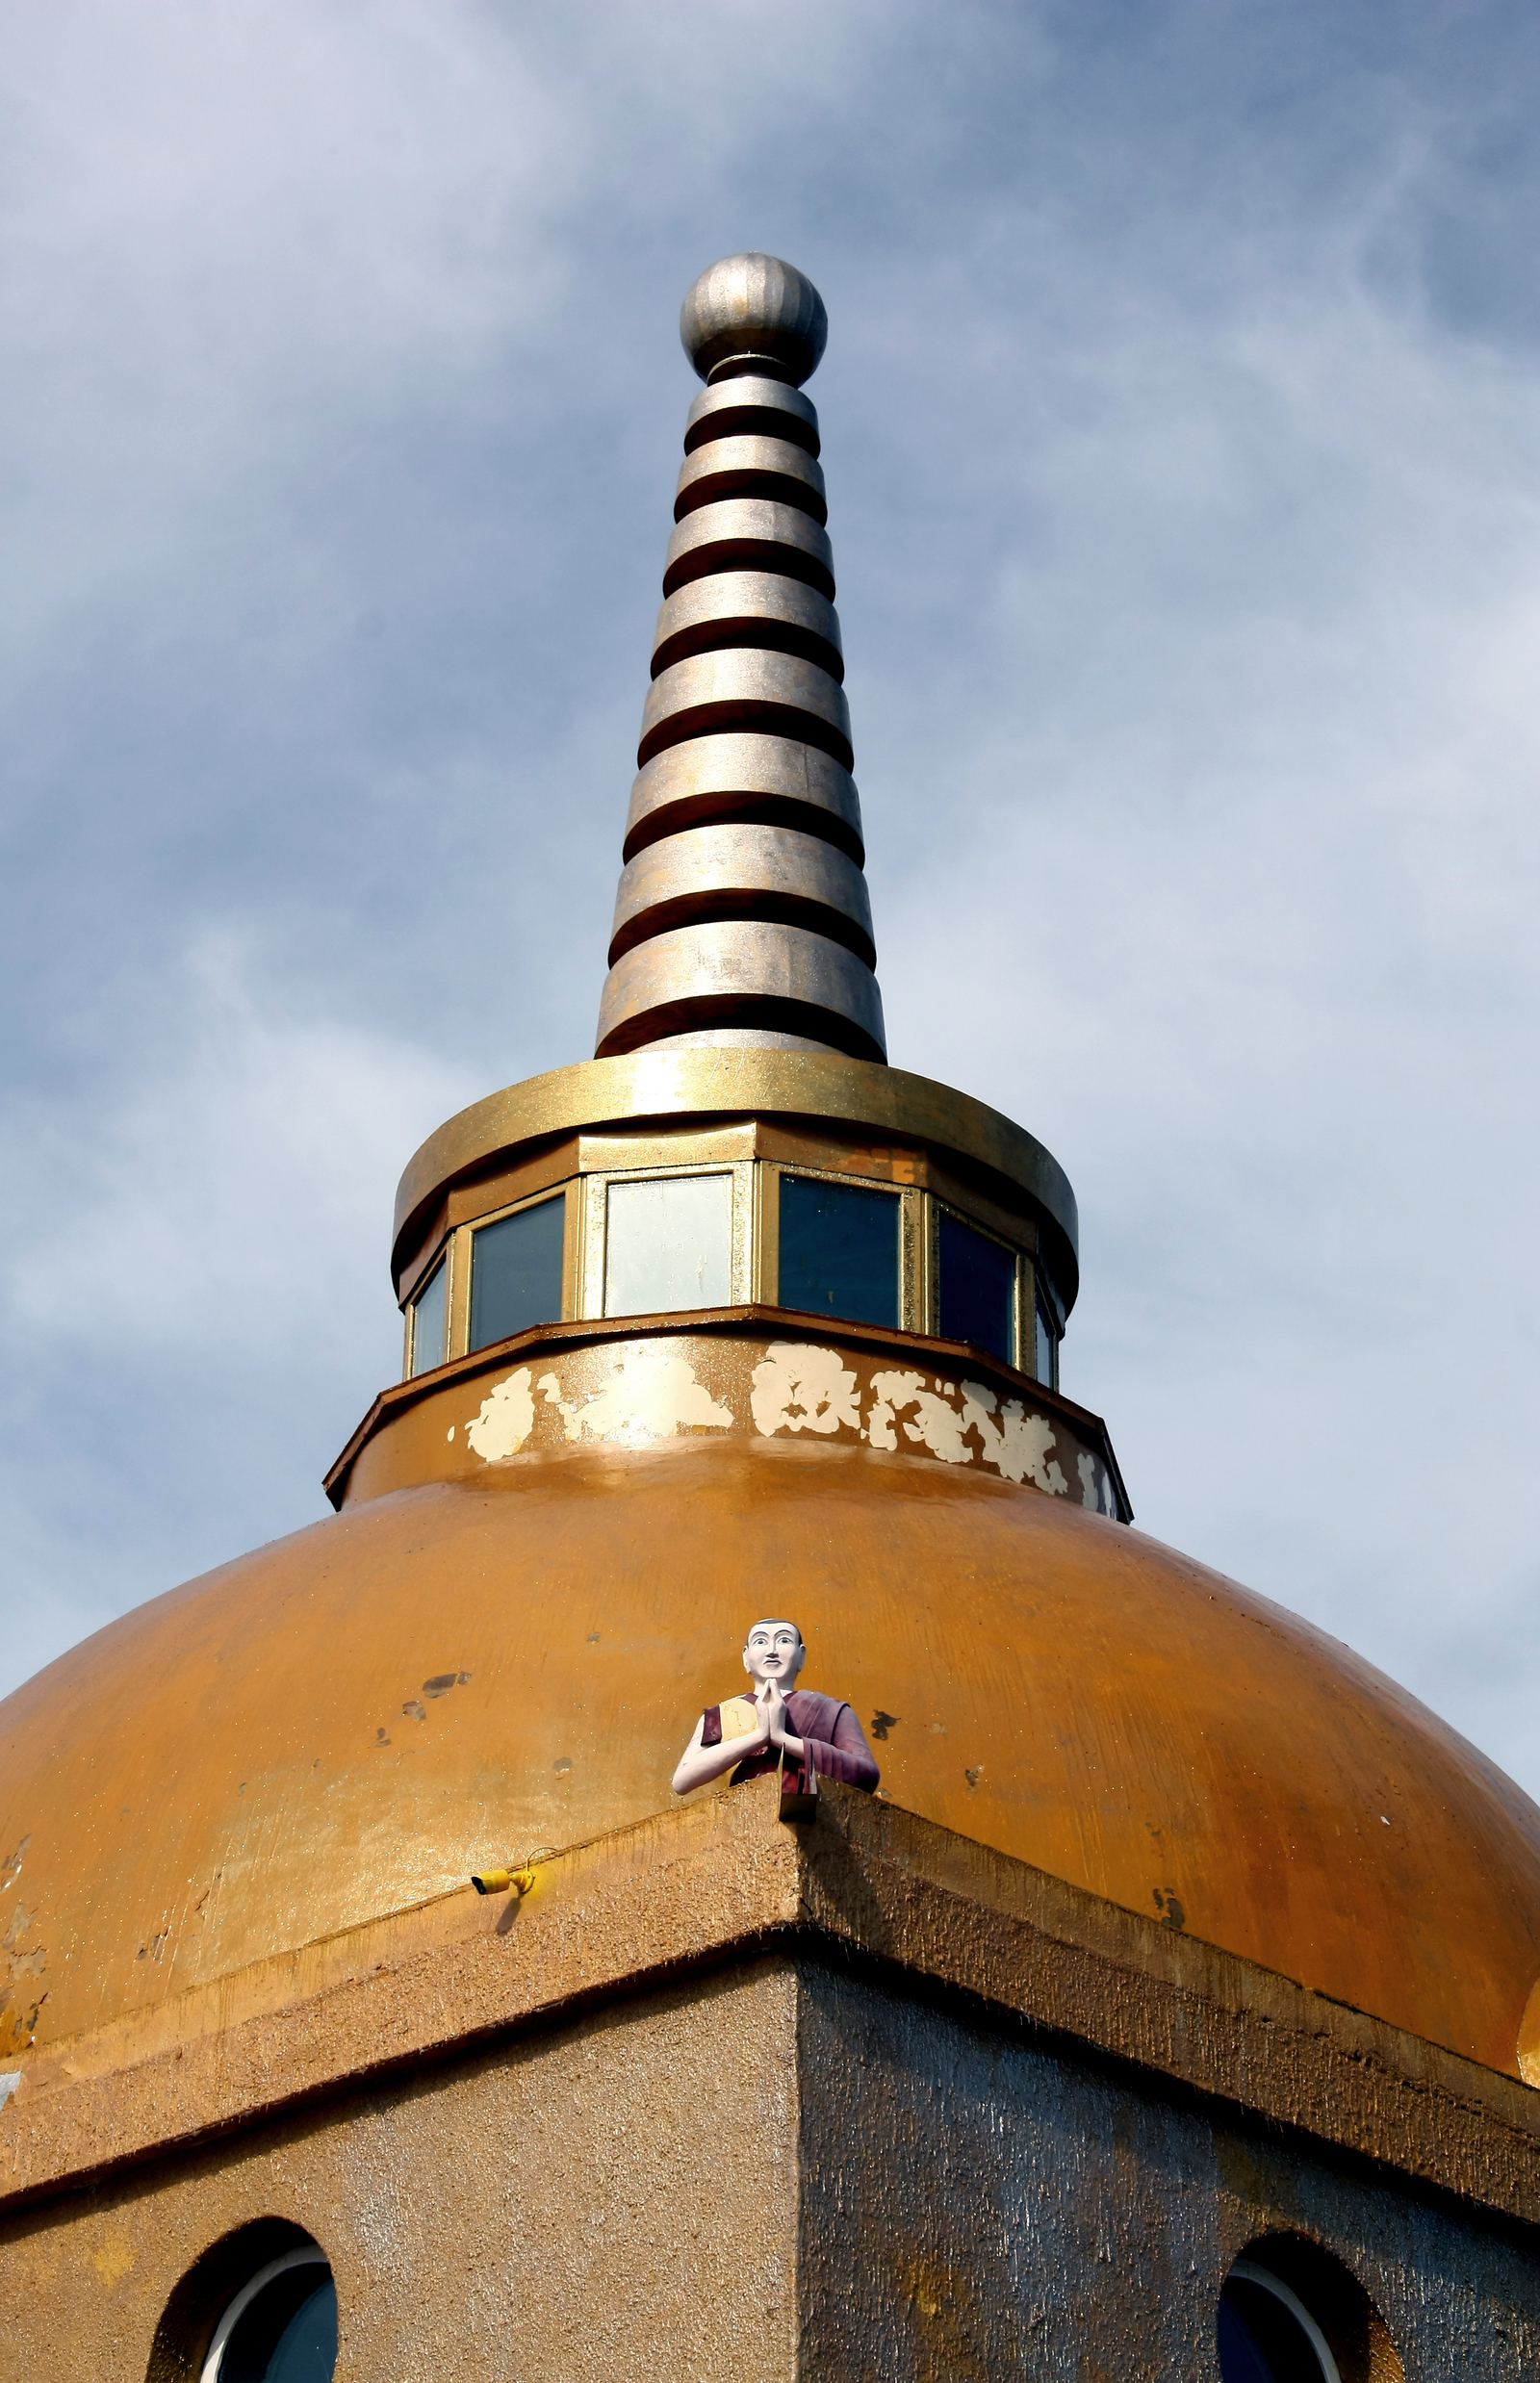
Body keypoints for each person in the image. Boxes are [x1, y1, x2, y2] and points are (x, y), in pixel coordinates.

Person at [671, 1617, 879, 1799]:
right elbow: (682, 1782)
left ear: (801, 1656)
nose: (772, 1650)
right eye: (761, 1641)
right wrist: (760, 1736)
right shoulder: (720, 1715)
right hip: (741, 1821)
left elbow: (867, 1773)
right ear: (746, 1658)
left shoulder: (830, 1710)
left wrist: (782, 1738)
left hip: (811, 1819)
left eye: (784, 1640)